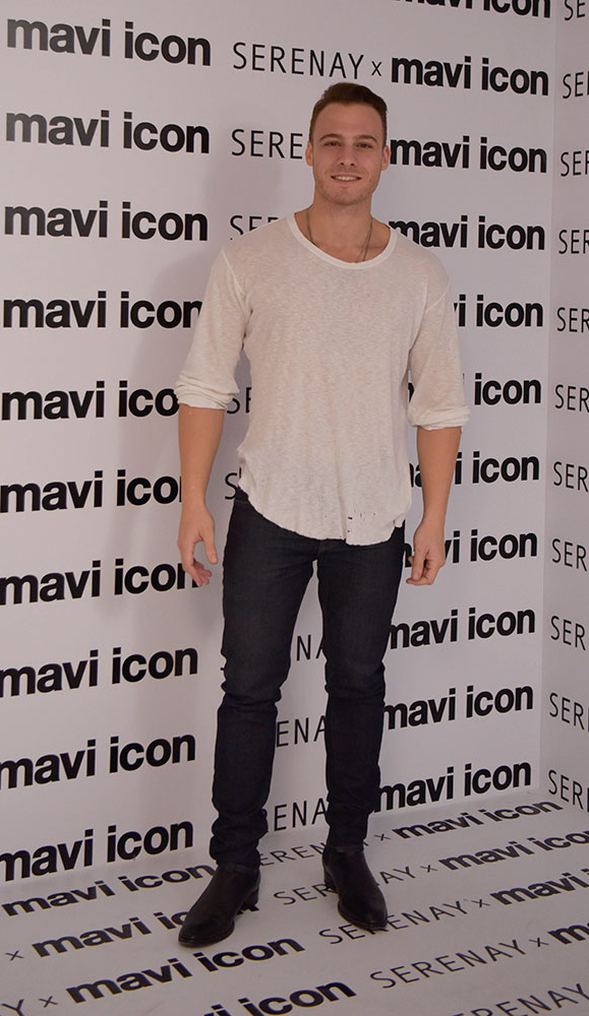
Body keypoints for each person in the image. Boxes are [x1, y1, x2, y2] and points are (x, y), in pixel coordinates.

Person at [173, 82, 469, 948]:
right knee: (248, 691)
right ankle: (234, 865)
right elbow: (203, 385)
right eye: (331, 141)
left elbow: (439, 404)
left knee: (358, 687)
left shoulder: (418, 275)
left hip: (373, 519)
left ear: (385, 157)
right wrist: (192, 500)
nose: (346, 157)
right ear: (306, 152)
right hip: (269, 510)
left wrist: (434, 515)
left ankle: (346, 852)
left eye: (363, 143)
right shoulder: (250, 259)